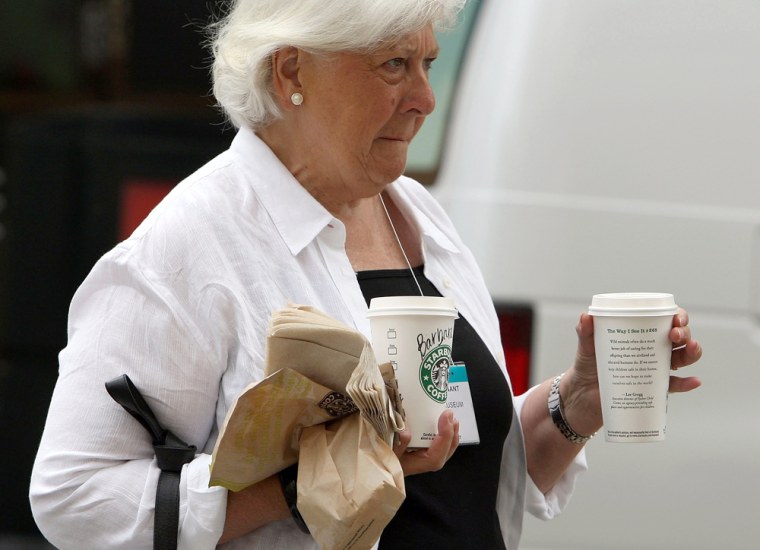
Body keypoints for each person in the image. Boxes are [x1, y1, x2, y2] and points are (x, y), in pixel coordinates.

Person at [29, 1, 703, 548]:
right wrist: (293, 486)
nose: (425, 98)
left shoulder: (419, 216)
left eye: (429, 63)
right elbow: (71, 496)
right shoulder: (190, 247)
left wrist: (576, 403)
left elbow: (460, 465)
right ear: (292, 71)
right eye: (394, 65)